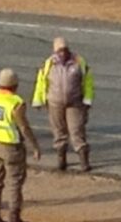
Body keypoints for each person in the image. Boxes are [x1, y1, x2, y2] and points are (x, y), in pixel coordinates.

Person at [0, 68, 41, 222]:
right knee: (14, 183)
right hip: (11, 147)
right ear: (15, 85)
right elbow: (23, 127)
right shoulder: (15, 102)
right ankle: (13, 218)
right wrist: (34, 146)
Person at [32, 36, 94, 171]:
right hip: (54, 103)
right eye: (60, 50)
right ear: (55, 51)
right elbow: (41, 83)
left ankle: (84, 160)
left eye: (65, 50)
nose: (63, 53)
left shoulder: (79, 62)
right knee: (58, 131)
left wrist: (88, 99)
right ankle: (61, 158)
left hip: (75, 102)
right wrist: (38, 100)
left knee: (76, 130)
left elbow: (88, 81)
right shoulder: (49, 64)